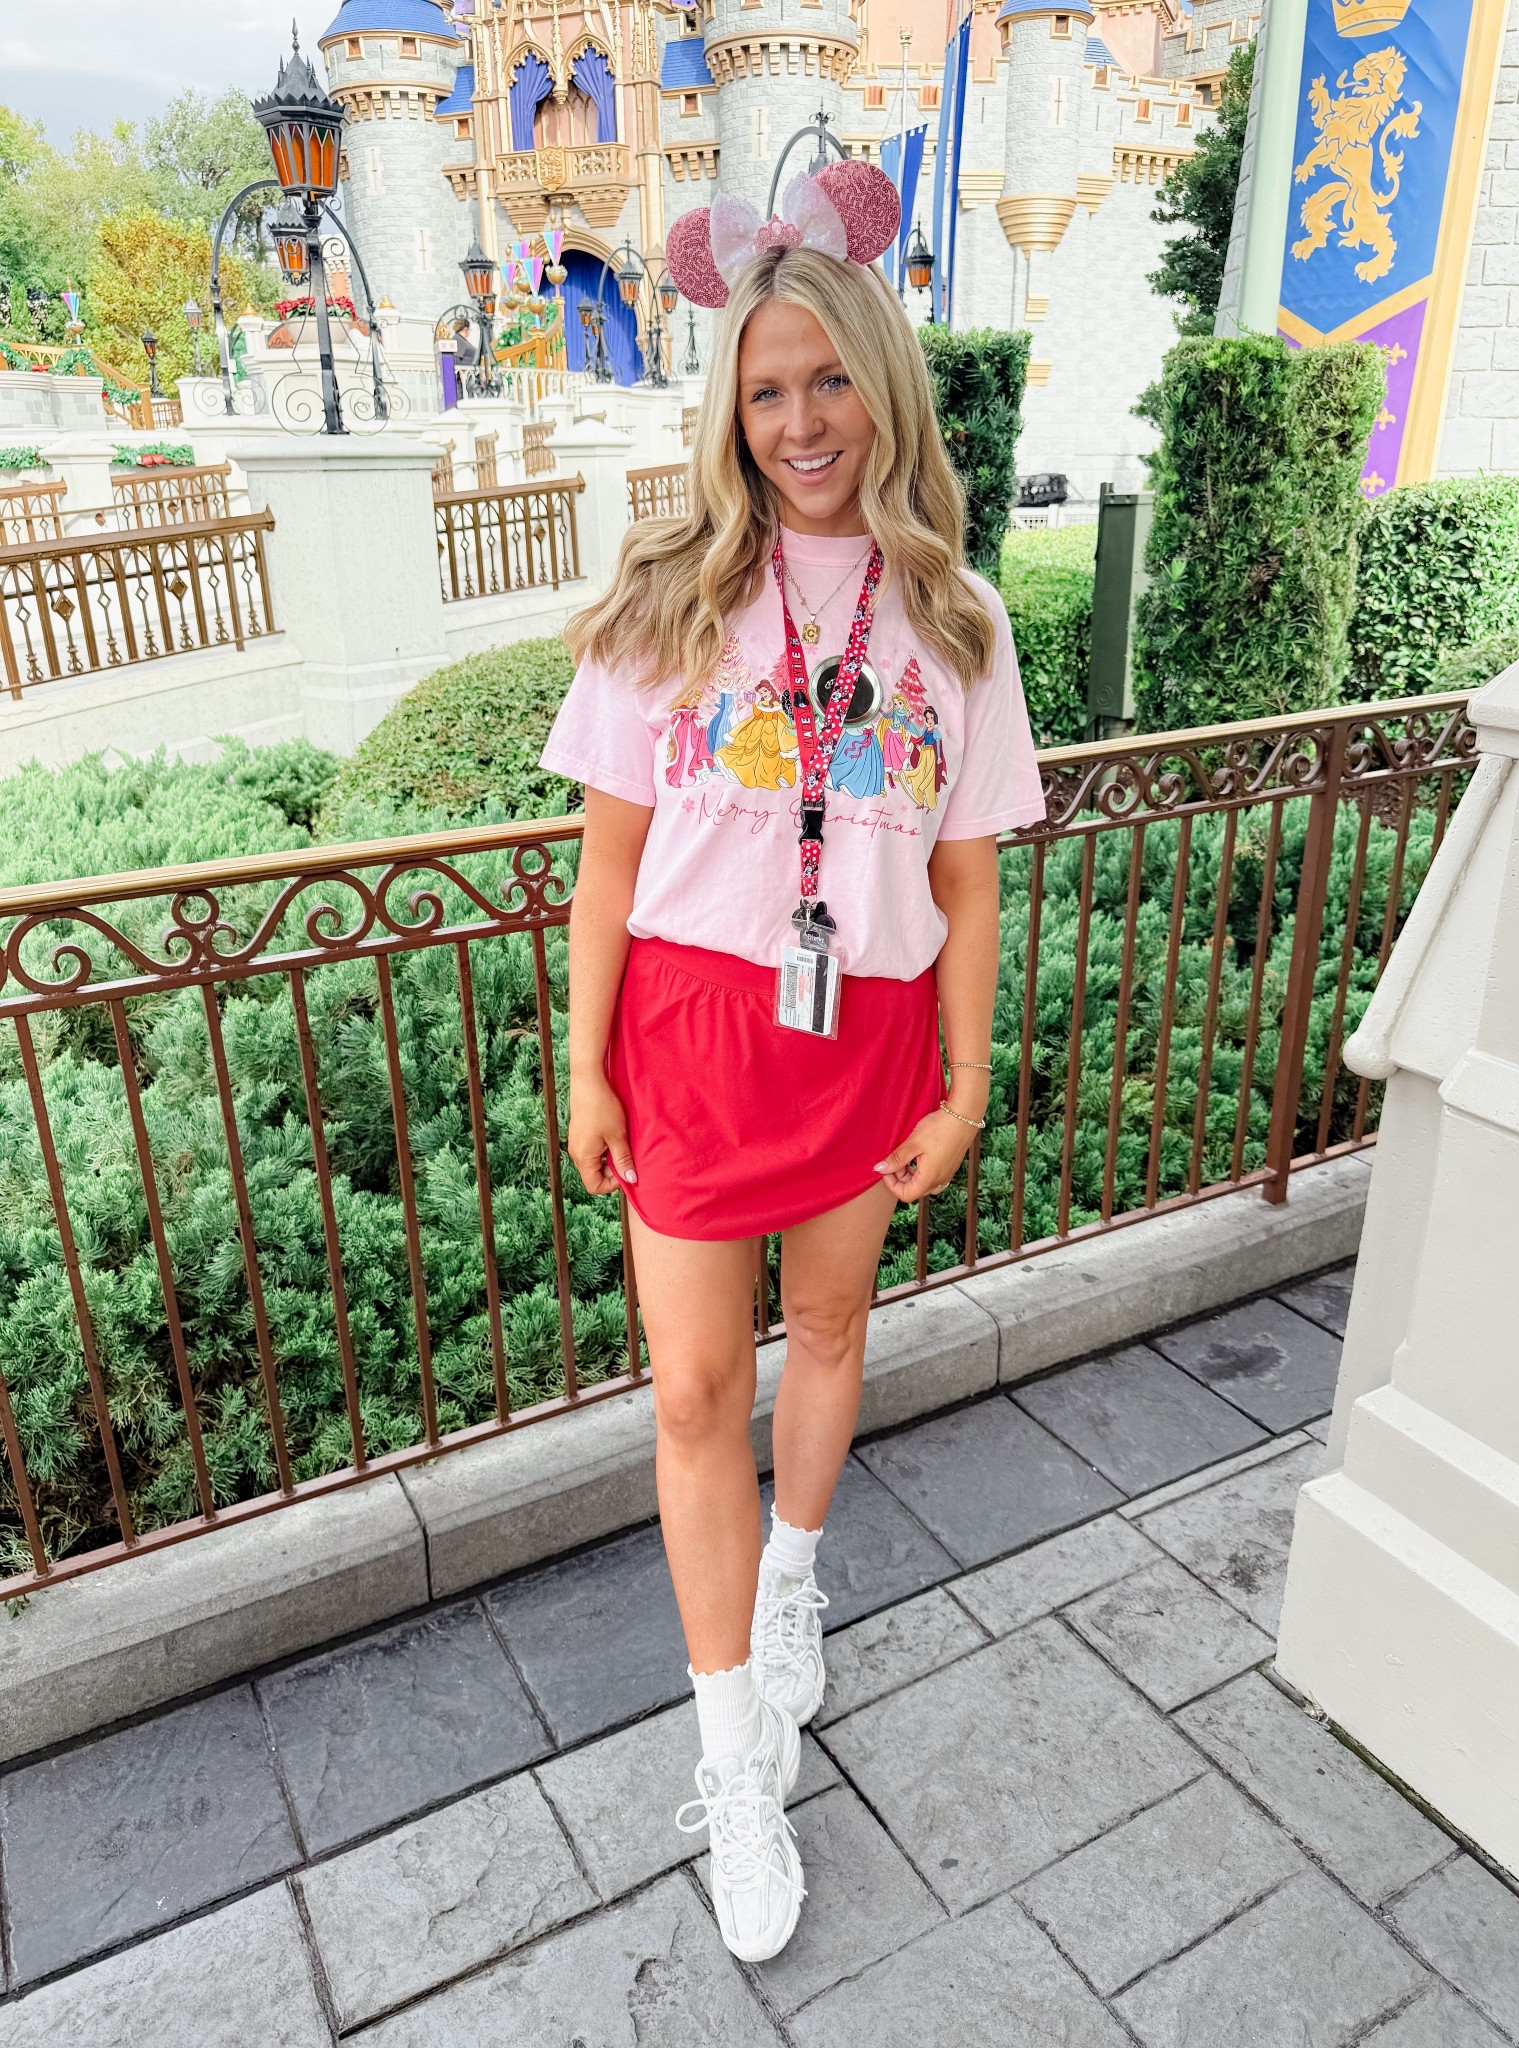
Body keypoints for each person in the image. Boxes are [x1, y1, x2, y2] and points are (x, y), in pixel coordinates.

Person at [538, 160, 1044, 1965]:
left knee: (827, 1338)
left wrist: (971, 1083)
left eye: (829, 380)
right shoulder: (664, 599)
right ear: (728, 410)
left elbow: (969, 887)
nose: (801, 420)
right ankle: (731, 1755)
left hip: (869, 1040)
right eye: (766, 389)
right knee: (689, 1399)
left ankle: (800, 1586)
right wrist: (583, 1071)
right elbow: (604, 868)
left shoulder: (959, 623)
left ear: (883, 389)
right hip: (687, 1041)